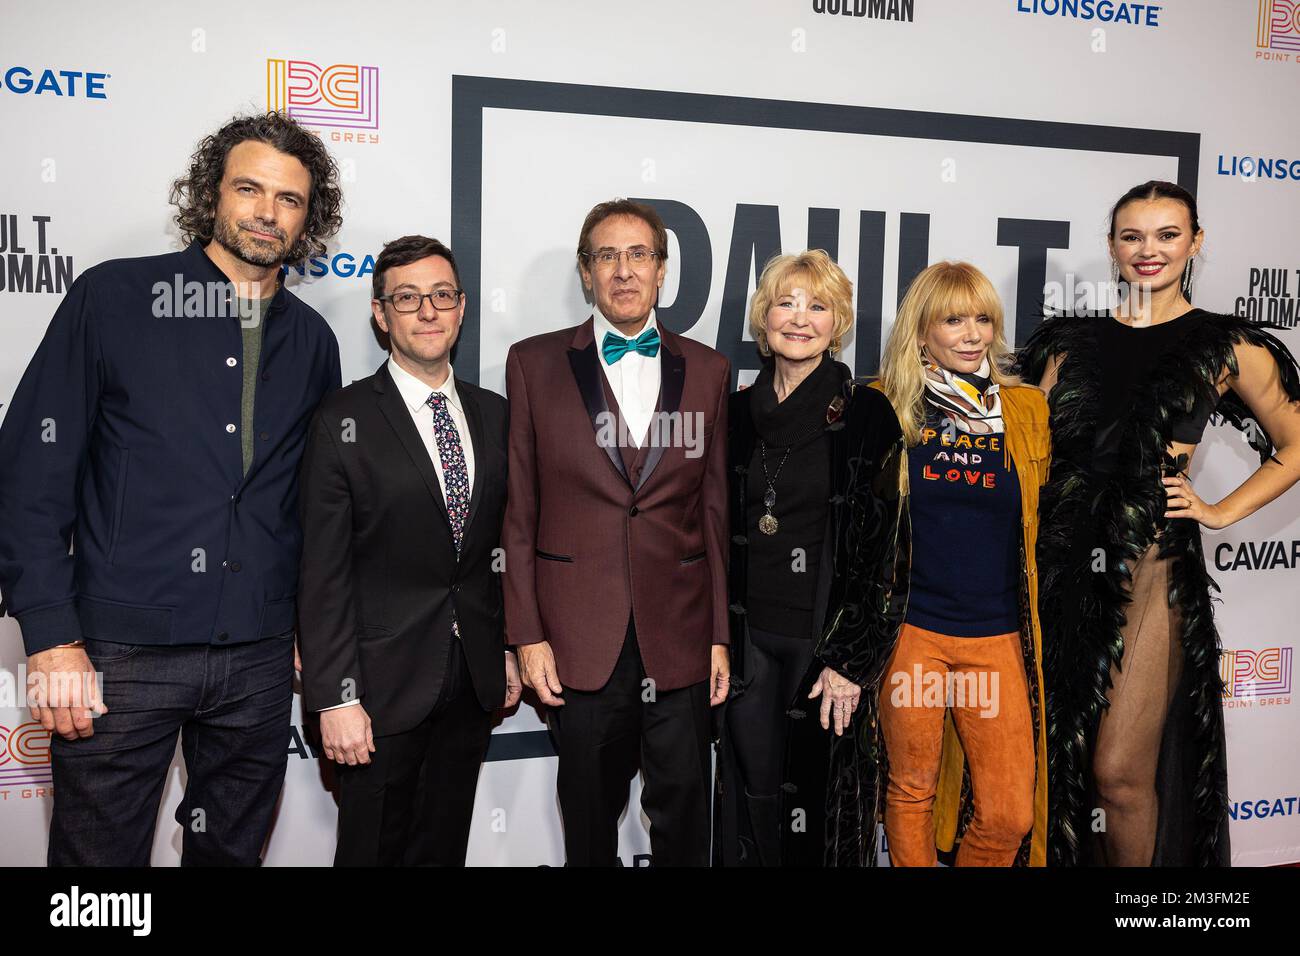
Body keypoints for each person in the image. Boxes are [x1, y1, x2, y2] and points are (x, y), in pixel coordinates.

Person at [0, 112, 343, 865]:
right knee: (98, 874)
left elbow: (306, 503)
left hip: (258, 658)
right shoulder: (113, 298)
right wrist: (53, 640)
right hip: (118, 654)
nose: (266, 212)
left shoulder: (314, 341)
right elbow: (28, 479)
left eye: (289, 199)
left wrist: (307, 634)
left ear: (308, 216)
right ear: (210, 195)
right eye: (248, 188)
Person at [1015, 180, 1300, 867]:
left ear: (1195, 243)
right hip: (1055, 559)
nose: (1150, 251)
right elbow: (1021, 445)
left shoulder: (1226, 345)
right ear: (1112, 247)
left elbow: (1293, 444)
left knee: (1118, 771)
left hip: (1149, 560)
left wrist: (1219, 509)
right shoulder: (1065, 344)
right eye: (1133, 236)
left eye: (1168, 235)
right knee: (1055, 764)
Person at [502, 198, 730, 866]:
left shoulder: (711, 370)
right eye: (607, 256)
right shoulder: (533, 364)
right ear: (585, 272)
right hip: (578, 639)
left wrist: (719, 634)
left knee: (686, 818)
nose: (623, 271)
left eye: (639, 255)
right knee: (588, 823)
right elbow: (520, 512)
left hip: (682, 637)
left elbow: (714, 511)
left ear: (662, 271)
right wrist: (526, 634)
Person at [297, 235, 520, 866]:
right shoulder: (342, 418)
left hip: (470, 682)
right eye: (407, 298)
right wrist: (336, 698)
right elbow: (323, 572)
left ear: (461, 307)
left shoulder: (495, 415)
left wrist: (504, 646)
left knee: (443, 850)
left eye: (441, 295)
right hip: (376, 690)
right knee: (371, 852)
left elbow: (501, 546)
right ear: (380, 314)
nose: (428, 311)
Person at [714, 249, 890, 866]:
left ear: (837, 323)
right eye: (786, 303)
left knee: (817, 818)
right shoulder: (732, 414)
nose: (799, 318)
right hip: (748, 643)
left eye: (817, 306)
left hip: (823, 653)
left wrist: (850, 658)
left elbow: (887, 554)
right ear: (763, 318)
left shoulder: (868, 415)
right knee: (752, 799)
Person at [872, 261, 1050, 866]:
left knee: (1008, 814)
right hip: (914, 633)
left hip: (995, 634)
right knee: (912, 789)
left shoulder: (1026, 412)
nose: (972, 333)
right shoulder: (885, 405)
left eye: (982, 319)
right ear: (922, 333)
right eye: (953, 319)